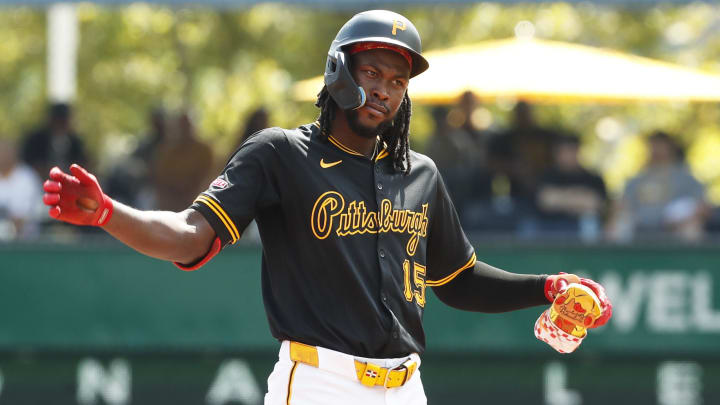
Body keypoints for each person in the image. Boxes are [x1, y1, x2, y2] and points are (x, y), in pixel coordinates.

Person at [41, 10, 612, 405]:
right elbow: (191, 235)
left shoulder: (421, 174)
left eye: (397, 78)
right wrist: (108, 213)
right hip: (319, 384)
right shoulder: (281, 154)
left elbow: (458, 280)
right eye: (372, 71)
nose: (385, 88)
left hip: (405, 386)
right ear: (339, 71)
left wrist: (546, 287)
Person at [606, 130, 710, 242]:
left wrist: (684, 219)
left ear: (670, 148)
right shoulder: (637, 180)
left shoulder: (686, 179)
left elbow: (703, 207)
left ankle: (687, 259)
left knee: (692, 229)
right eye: (652, 146)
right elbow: (622, 205)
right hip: (638, 227)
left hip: (676, 228)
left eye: (660, 145)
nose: (655, 150)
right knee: (617, 226)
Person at [534, 134, 608, 241]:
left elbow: (595, 204)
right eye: (563, 151)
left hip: (585, 235)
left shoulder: (593, 179)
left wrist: (560, 198)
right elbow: (546, 201)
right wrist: (580, 197)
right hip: (550, 233)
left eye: (571, 150)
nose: (567, 155)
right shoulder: (546, 176)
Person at [21, 102, 89, 179]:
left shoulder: (76, 143)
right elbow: (27, 165)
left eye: (63, 121)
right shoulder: (35, 141)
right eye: (58, 120)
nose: (60, 124)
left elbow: (83, 165)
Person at [0, 138, 43, 240]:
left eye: (5, 152)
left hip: (26, 243)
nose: (2, 155)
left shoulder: (27, 177)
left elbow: (26, 216)